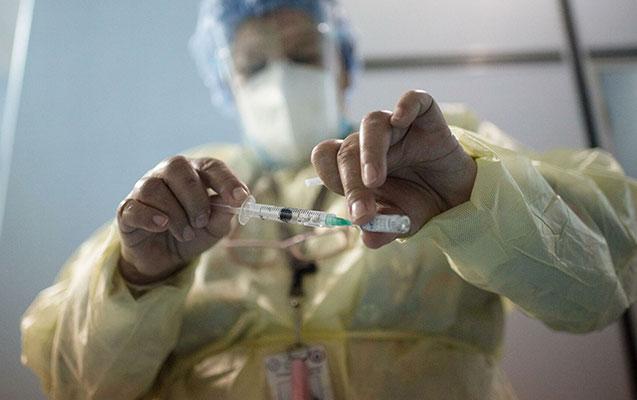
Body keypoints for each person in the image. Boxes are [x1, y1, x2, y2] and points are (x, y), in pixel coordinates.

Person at [21, 0, 637, 399]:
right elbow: (69, 378)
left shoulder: (436, 151)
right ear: (226, 83)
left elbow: (601, 279)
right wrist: (139, 276)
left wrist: (470, 192)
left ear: (341, 65)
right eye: (253, 66)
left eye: (302, 55)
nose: (280, 79)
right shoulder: (182, 194)